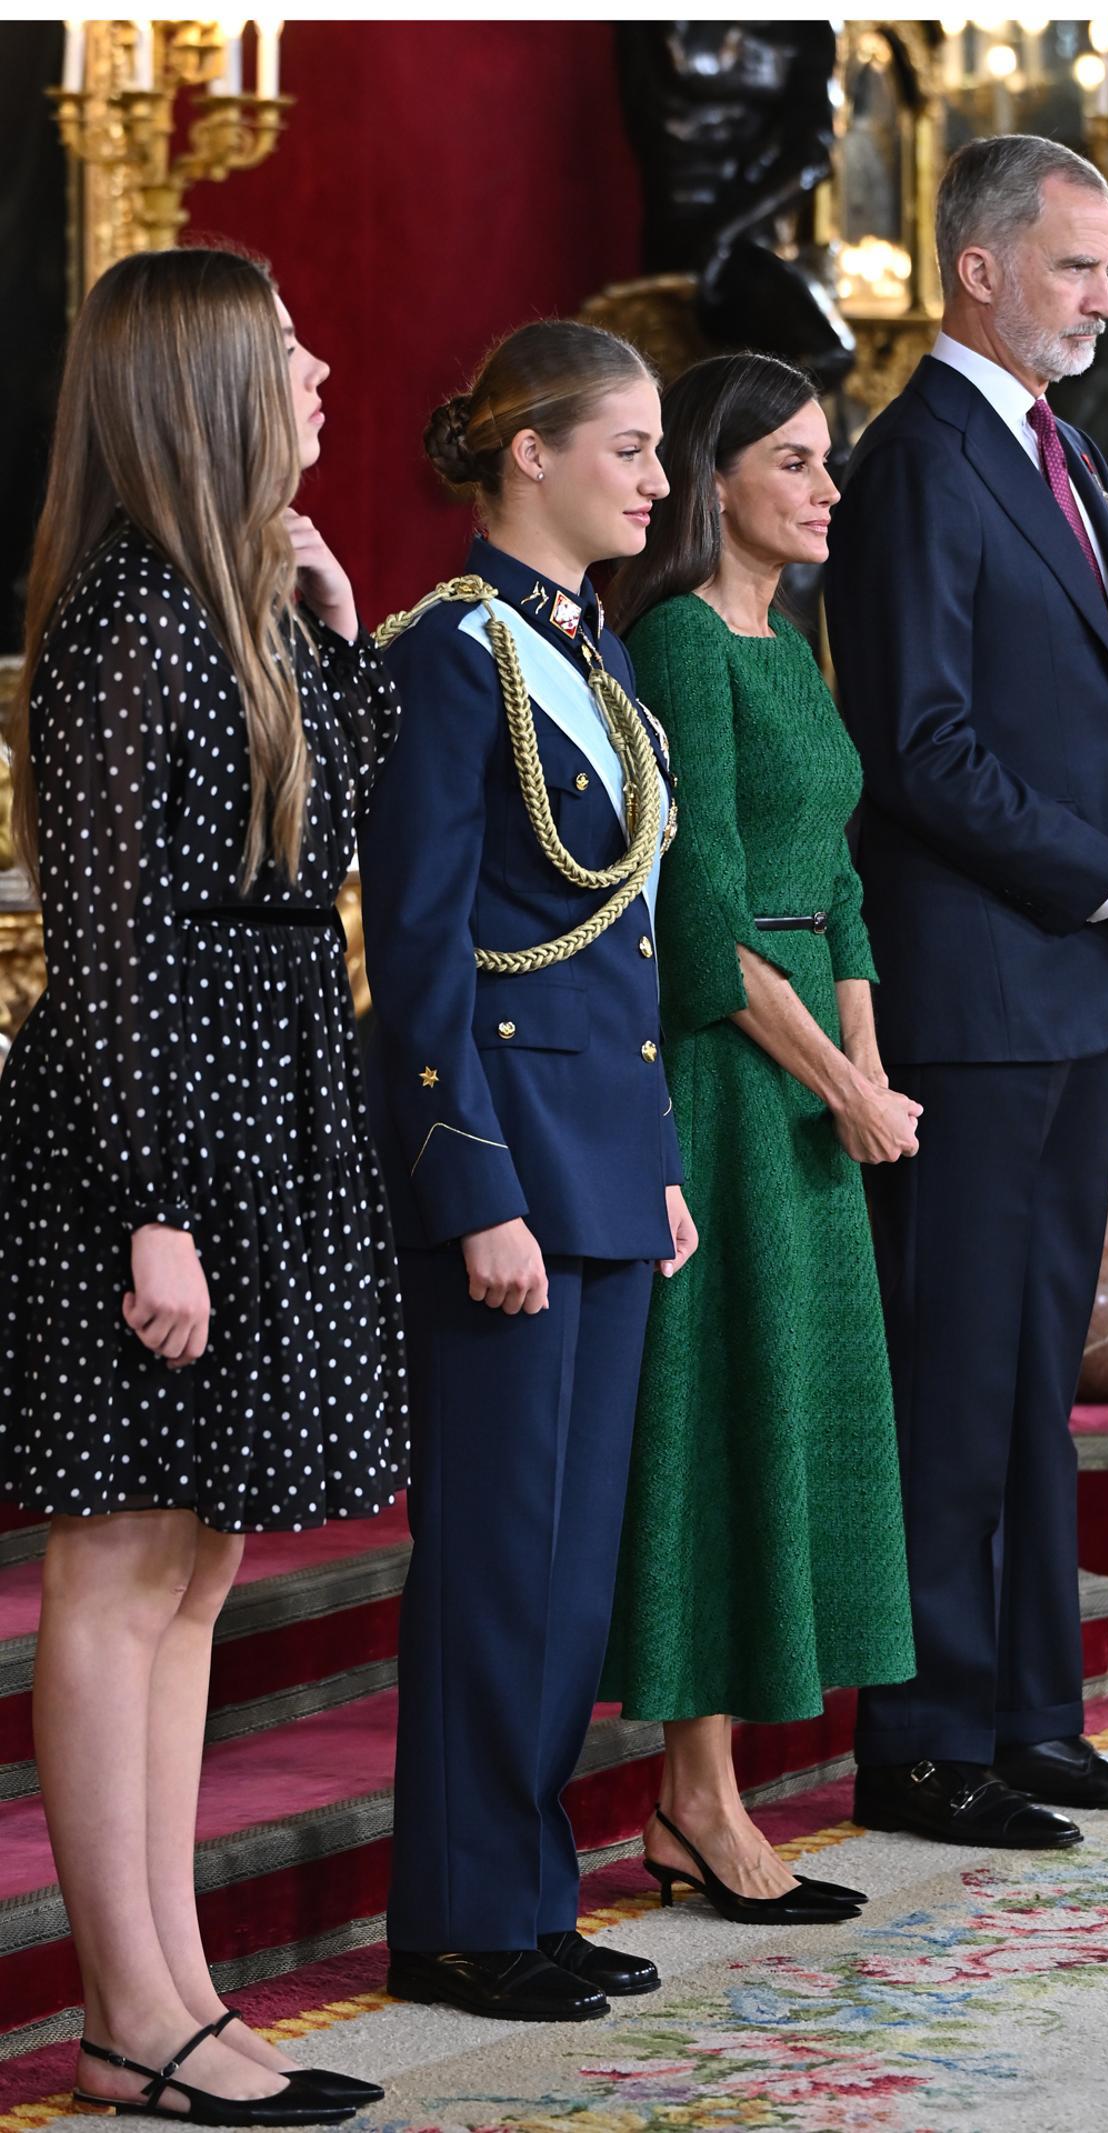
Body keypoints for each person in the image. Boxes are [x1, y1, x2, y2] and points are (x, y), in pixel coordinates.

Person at [0, 248, 404, 2121]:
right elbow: (109, 937)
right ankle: (125, 2006)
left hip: (270, 1107)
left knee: (200, 1569)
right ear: (208, 387)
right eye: (290, 347)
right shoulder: (120, 624)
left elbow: (343, 833)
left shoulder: (229, 602)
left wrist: (334, 622)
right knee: (119, 1565)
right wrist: (153, 1198)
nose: (320, 368)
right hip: (148, 1135)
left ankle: (175, 1987)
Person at [824, 134, 1108, 1846]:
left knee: (1035, 1367)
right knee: (960, 1369)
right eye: (1079, 267)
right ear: (978, 269)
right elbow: (920, 748)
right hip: (974, 996)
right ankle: (922, 1740)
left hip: (1070, 987)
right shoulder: (914, 465)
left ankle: (1034, 1715)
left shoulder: (1056, 448)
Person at [361, 320, 698, 2024]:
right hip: (506, 1162)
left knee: (570, 1562)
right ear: (529, 455)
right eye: (629, 447)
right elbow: (416, 960)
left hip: (604, 1159)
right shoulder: (445, 658)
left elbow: (616, 943)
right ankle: (462, 1911)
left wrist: (653, 1164)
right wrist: (470, 1181)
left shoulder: (603, 662)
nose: (657, 477)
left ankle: (528, 1887)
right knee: (497, 1551)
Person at [600, 352, 917, 1922]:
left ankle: (706, 1792)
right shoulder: (675, 640)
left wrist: (865, 1062)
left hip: (811, 1090)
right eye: (793, 461)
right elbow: (710, 927)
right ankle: (695, 1798)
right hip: (729, 1085)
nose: (824, 487)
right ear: (715, 480)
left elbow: (839, 884)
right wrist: (837, 1083)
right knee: (726, 1406)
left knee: (793, 1409)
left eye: (825, 461)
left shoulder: (791, 644)